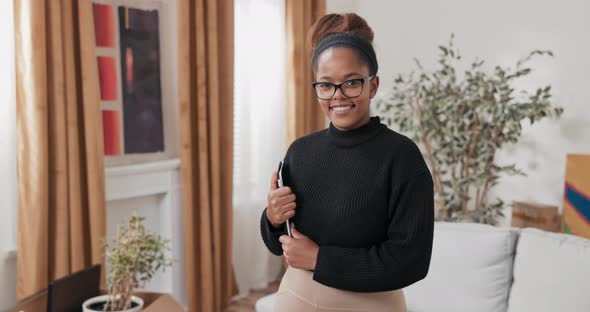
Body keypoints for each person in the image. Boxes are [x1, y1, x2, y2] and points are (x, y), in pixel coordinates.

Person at [260, 12, 434, 312]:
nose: (338, 96)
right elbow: (281, 244)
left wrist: (319, 259)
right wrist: (273, 219)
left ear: (373, 85)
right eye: (326, 85)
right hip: (297, 299)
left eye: (351, 83)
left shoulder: (402, 157)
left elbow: (411, 262)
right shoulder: (299, 152)